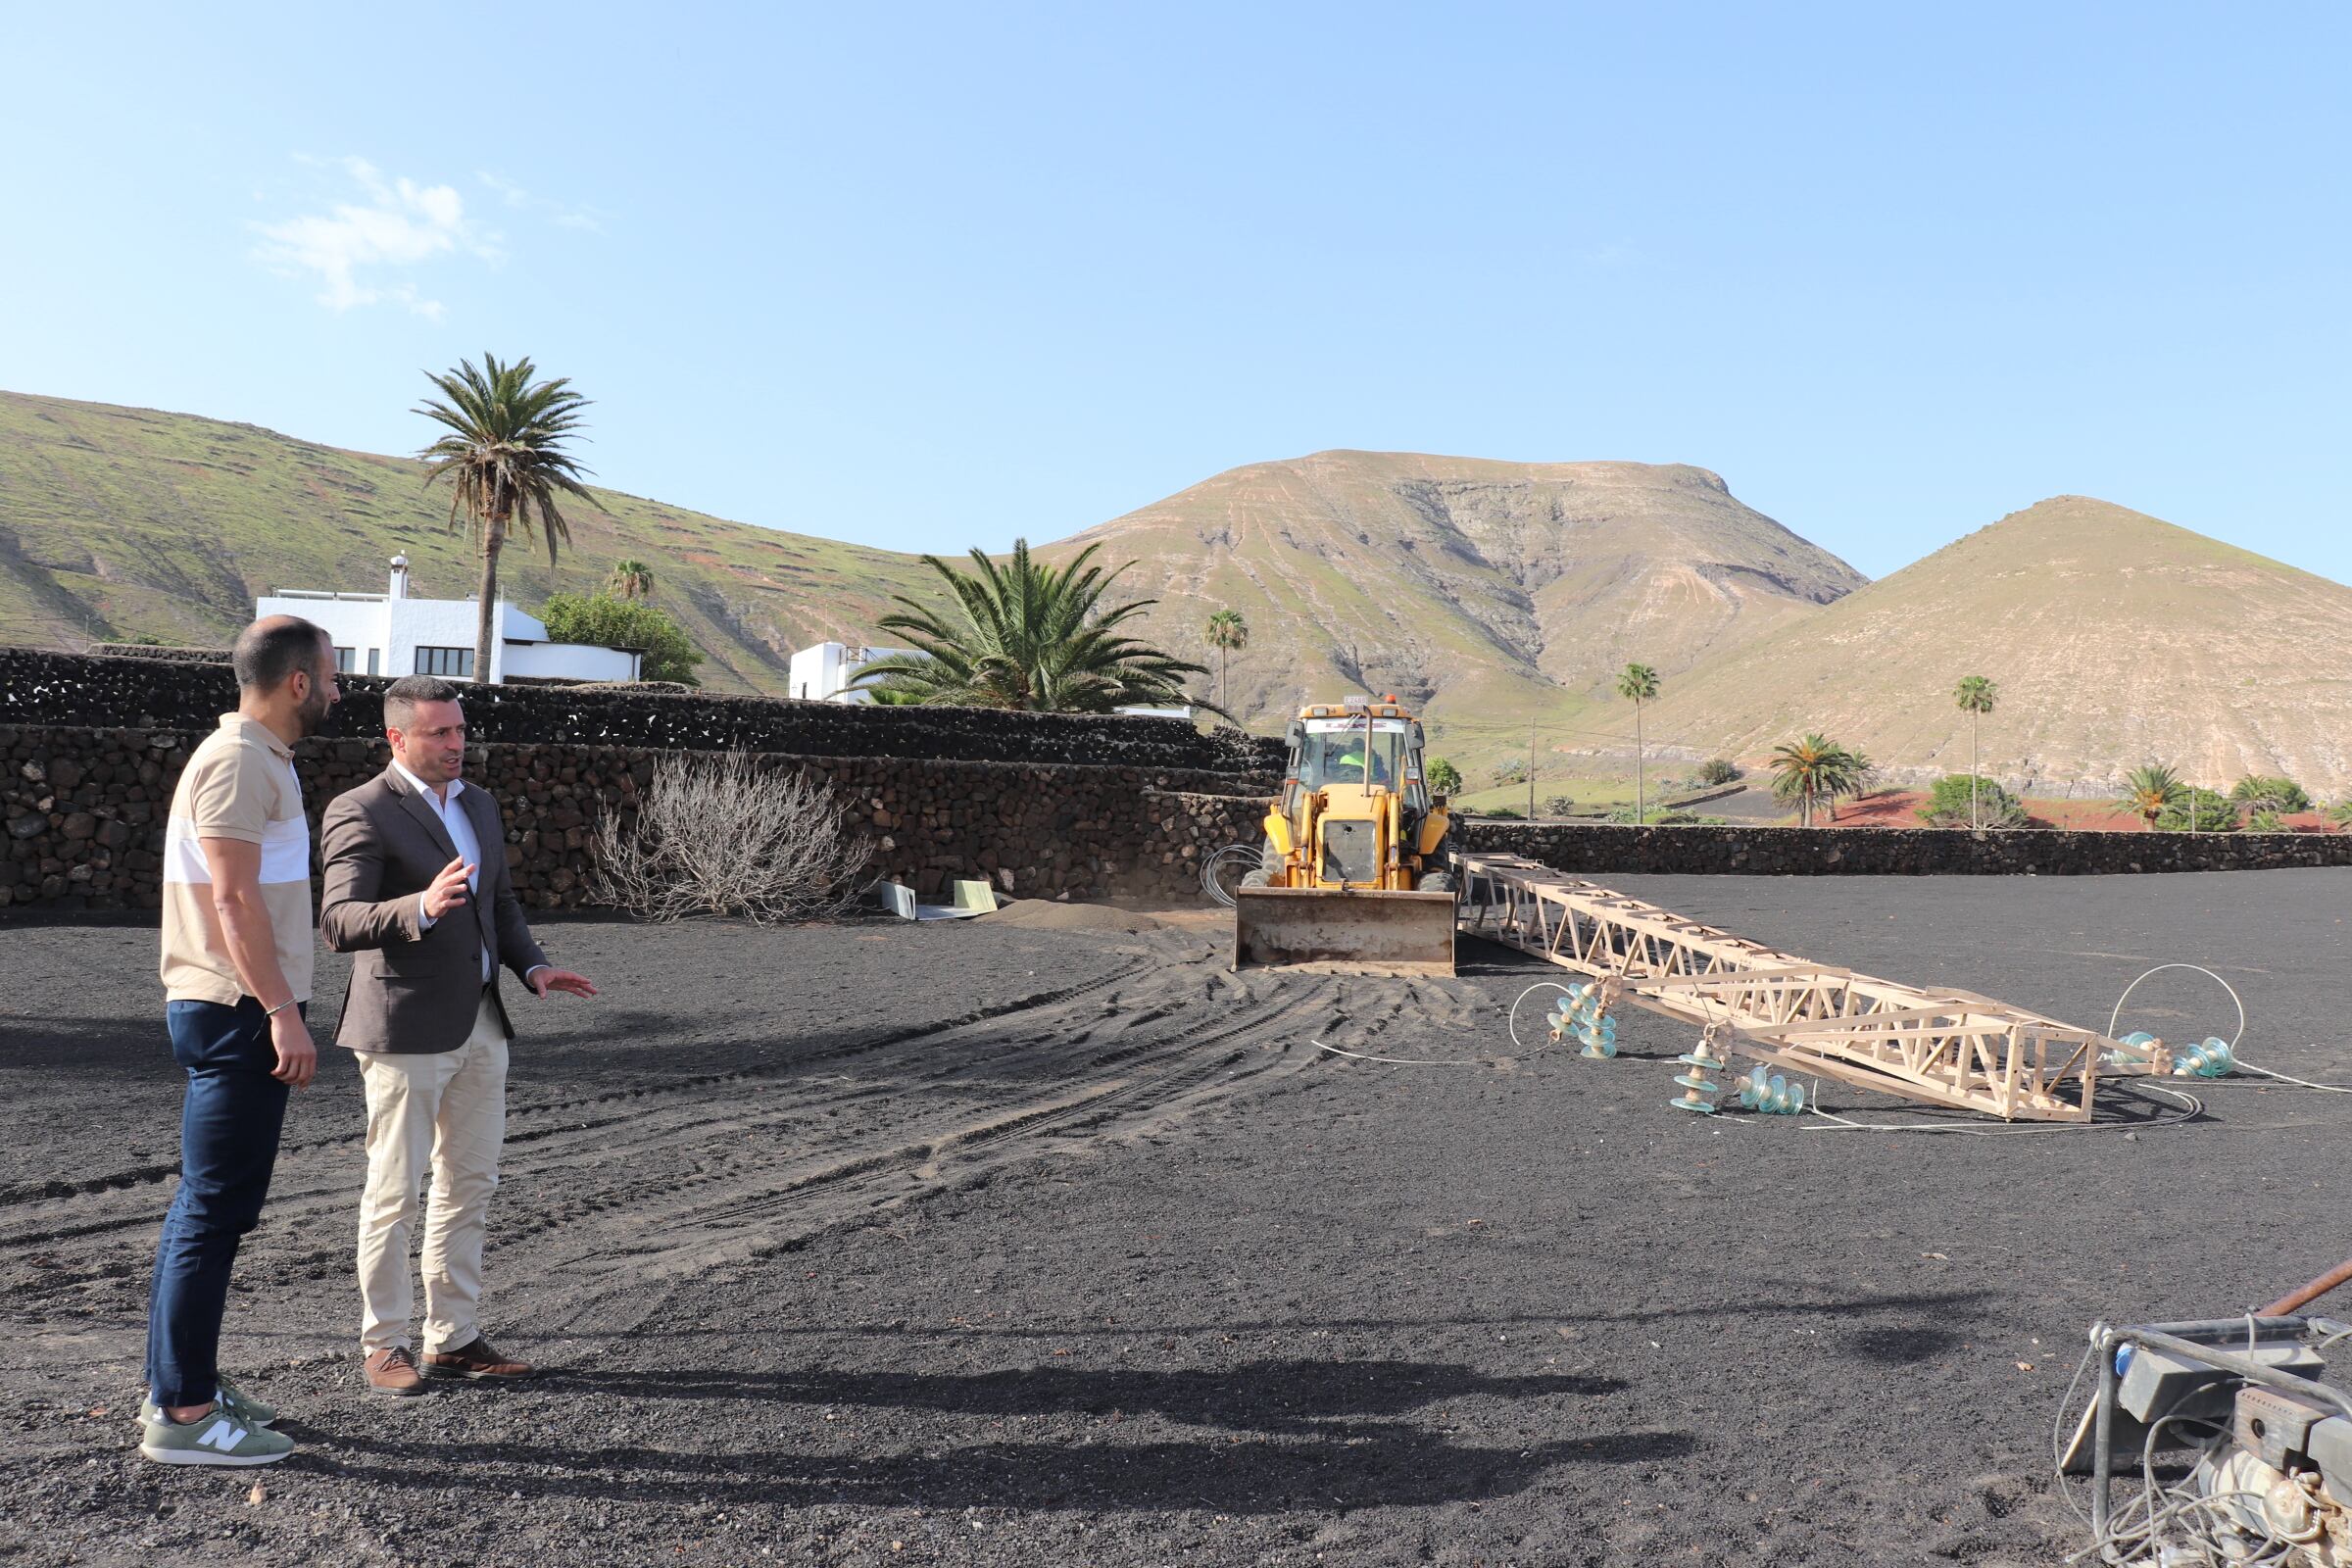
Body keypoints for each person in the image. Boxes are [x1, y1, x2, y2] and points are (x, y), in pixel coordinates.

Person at [319, 675, 597, 1396]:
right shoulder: (363, 810)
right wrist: (421, 904)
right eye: (440, 733)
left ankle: (453, 1337)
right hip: (403, 1026)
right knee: (394, 1192)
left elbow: (498, 902)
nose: (456, 744)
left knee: (469, 1184)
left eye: (460, 730)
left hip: (482, 1020)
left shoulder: (479, 805)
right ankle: (385, 1345)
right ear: (396, 738)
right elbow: (339, 922)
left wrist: (532, 966)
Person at [139, 615, 337, 1467]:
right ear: (297, 682)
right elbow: (231, 903)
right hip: (234, 1010)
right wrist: (281, 1011)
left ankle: (183, 1385)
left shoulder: (263, 762)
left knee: (211, 1210)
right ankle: (183, 1415)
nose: (338, 691)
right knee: (211, 1212)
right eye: (332, 677)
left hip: (238, 1008)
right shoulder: (235, 763)